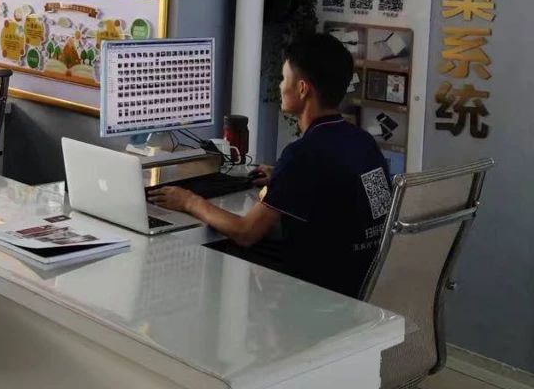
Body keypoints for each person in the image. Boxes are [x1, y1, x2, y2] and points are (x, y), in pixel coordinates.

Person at [149, 32, 392, 298]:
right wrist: (282, 177)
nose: (279, 86)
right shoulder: (362, 141)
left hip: (319, 291)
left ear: (302, 88)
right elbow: (337, 186)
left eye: (283, 79)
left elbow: (246, 232)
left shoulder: (302, 155)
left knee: (221, 247)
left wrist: (188, 201)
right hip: (360, 282)